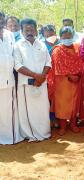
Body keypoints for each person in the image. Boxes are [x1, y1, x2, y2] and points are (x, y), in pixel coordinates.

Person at [14, 18, 51, 142]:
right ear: (22, 31)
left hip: (41, 83)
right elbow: (17, 65)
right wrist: (36, 76)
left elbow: (48, 62)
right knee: (28, 111)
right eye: (26, 29)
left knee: (43, 109)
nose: (29, 31)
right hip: (27, 84)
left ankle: (44, 133)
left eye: (31, 29)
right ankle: (30, 135)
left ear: (36, 30)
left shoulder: (41, 44)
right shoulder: (18, 45)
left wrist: (41, 77)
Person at [48, 26, 83, 136]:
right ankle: (63, 126)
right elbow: (58, 66)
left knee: (74, 103)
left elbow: (82, 62)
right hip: (62, 81)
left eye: (69, 37)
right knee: (62, 105)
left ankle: (73, 124)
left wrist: (77, 75)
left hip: (77, 80)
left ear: (73, 37)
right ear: (60, 37)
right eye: (64, 37)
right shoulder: (57, 50)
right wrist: (70, 75)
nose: (67, 39)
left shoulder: (78, 48)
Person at [0, 11, 23, 145]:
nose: (0, 22)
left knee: (9, 111)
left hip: (9, 79)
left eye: (2, 20)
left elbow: (14, 55)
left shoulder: (9, 35)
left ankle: (10, 137)